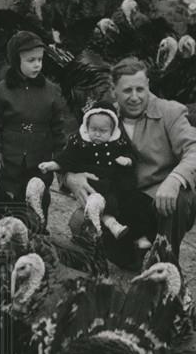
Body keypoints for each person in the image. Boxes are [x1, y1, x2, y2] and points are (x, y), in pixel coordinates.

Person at [61, 57, 196, 268]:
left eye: (140, 90)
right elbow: (72, 152)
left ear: (148, 86)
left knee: (180, 197)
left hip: (159, 202)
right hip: (121, 202)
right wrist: (70, 177)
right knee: (79, 222)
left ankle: (166, 262)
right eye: (127, 91)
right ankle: (132, 255)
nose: (135, 97)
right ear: (113, 90)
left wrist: (175, 179)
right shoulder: (103, 116)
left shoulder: (170, 112)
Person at [42, 100, 154, 247]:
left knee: (133, 203)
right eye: (93, 129)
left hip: (115, 182)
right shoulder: (80, 142)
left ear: (112, 130)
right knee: (102, 200)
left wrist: (127, 160)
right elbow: (67, 157)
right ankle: (109, 224)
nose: (97, 134)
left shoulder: (119, 142)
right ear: (86, 126)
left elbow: (131, 154)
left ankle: (139, 236)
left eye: (103, 131)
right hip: (94, 183)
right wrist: (53, 164)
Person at [0, 31, 72, 218]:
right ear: (16, 62)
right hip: (10, 157)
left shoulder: (51, 91)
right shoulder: (1, 92)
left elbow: (58, 126)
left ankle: (39, 229)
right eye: (30, 60)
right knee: (10, 197)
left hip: (39, 156)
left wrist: (59, 157)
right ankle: (13, 232)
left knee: (39, 193)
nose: (37, 65)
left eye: (40, 59)